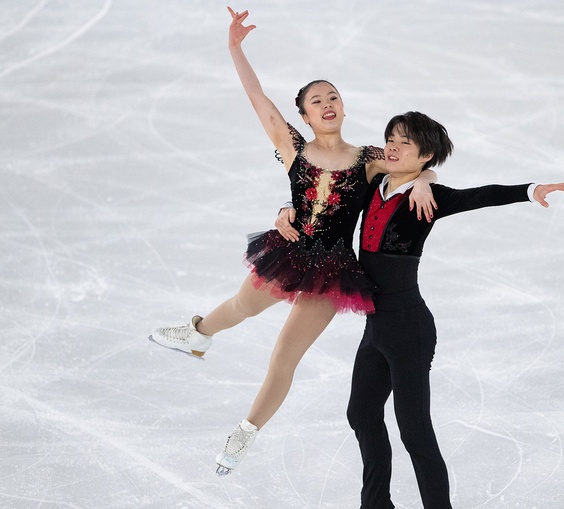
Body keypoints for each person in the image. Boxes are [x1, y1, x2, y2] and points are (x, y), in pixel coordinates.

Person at [147, 8, 438, 476]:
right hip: (289, 251)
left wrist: (425, 178)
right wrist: (235, 49)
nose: (327, 104)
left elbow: (414, 160)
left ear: (343, 108)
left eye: (334, 97)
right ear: (302, 114)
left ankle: (244, 433)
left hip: (336, 272)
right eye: (316, 100)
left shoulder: (368, 157)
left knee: (284, 356)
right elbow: (257, 98)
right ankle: (199, 334)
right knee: (241, 308)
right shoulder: (293, 147)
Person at [276, 111, 564, 507]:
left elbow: (480, 195)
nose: (393, 147)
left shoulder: (430, 198)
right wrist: (287, 207)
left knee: (414, 432)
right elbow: (325, 193)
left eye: (406, 143)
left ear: (426, 155)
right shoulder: (372, 185)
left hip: (408, 330)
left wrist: (530, 188)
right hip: (376, 327)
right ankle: (376, 503)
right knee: (361, 414)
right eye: (391, 139)